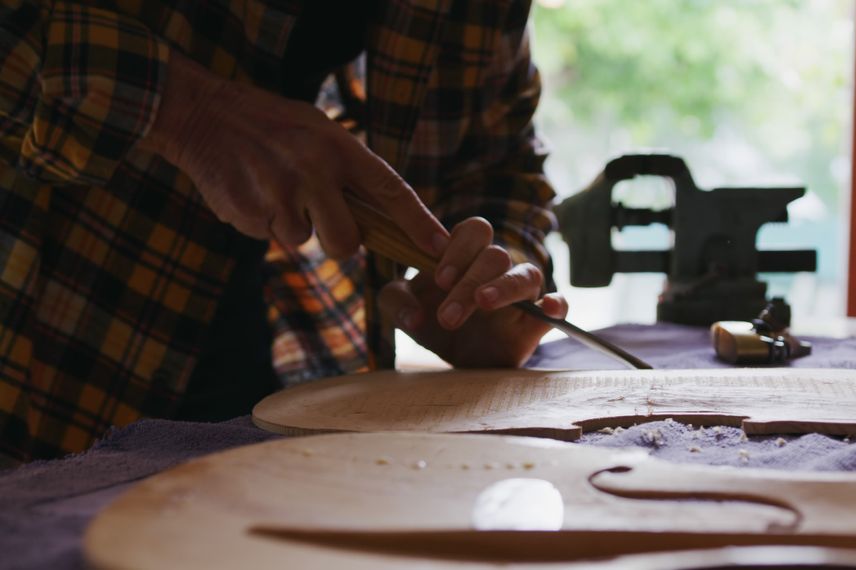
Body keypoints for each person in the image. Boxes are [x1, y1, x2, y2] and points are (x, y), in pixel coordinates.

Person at [0, 0, 566, 463]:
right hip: (44, 368)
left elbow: (498, 164)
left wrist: (492, 280)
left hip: (301, 402)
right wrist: (185, 109)